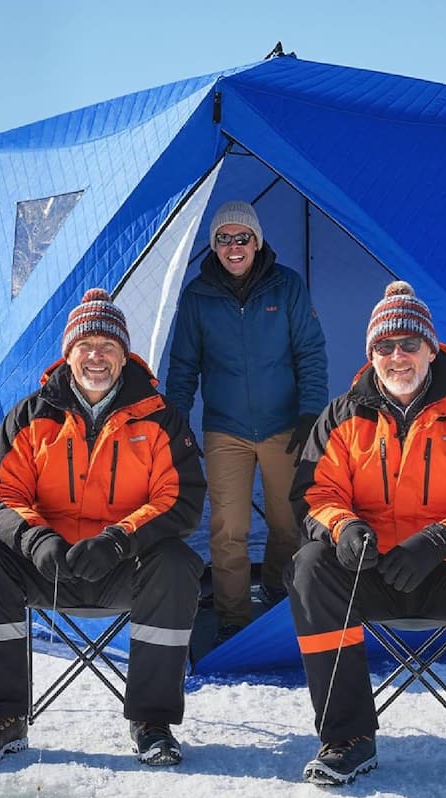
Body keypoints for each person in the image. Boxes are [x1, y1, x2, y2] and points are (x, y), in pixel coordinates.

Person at [286, 280, 446, 793]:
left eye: (408, 345)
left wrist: (442, 539)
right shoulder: (341, 417)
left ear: (430, 348)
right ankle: (347, 738)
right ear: (370, 353)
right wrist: (345, 528)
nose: (396, 357)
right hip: (369, 572)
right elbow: (315, 494)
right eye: (384, 346)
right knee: (310, 566)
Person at [0, 288, 206, 767]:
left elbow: (181, 500)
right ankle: (1, 717)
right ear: (67, 354)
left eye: (107, 346)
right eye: (85, 346)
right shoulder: (31, 416)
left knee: (176, 563)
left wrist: (118, 540)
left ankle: (152, 721)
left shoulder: (160, 418)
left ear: (124, 354)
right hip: (45, 565)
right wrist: (37, 539)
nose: (96, 356)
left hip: (121, 567)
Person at [166, 200, 328, 644]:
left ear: (257, 242)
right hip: (226, 429)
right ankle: (232, 617)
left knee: (287, 521)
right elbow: (182, 367)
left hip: (284, 427)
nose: (234, 247)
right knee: (229, 527)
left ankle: (277, 590)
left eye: (242, 238)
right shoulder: (199, 296)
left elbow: (310, 353)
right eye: (224, 239)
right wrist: (176, 423)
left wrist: (312, 413)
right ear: (214, 246)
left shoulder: (286, 287)